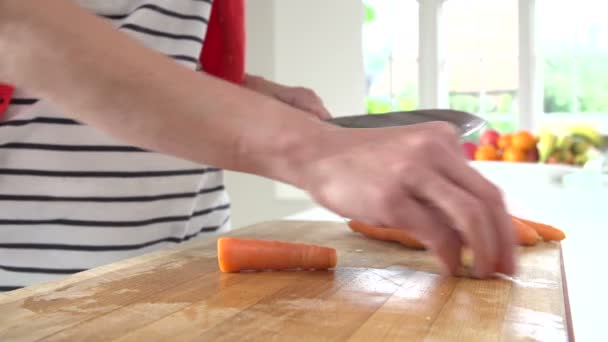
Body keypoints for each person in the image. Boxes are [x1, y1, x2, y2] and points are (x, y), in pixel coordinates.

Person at [0, 0, 515, 291]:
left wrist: (252, 94)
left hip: (187, 271)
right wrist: (311, 149)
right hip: (34, 297)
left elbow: (148, 51)